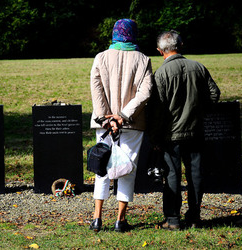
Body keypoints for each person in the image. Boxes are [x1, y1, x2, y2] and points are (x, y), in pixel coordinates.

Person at [149, 30, 220, 229]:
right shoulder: (198, 67)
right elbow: (214, 94)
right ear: (181, 46)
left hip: (170, 135)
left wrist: (154, 138)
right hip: (196, 131)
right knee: (195, 175)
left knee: (172, 175)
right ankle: (195, 217)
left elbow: (157, 111)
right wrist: (198, 111)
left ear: (159, 51)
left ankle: (172, 219)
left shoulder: (160, 74)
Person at [89, 19, 153, 232]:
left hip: (104, 122)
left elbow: (95, 88)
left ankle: (97, 218)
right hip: (132, 123)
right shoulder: (143, 59)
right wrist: (123, 116)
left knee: (102, 168)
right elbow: (146, 92)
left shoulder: (101, 57)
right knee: (126, 170)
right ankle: (120, 220)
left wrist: (106, 118)